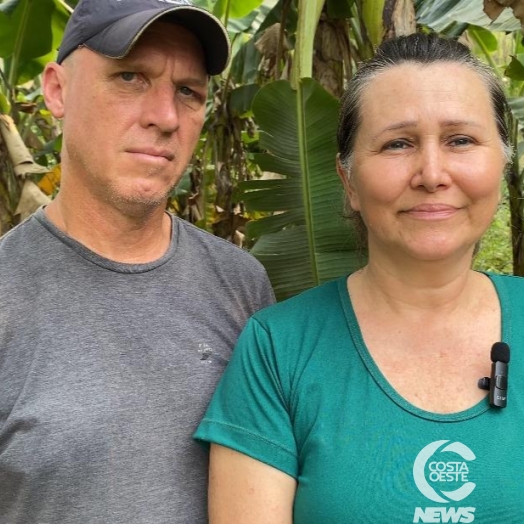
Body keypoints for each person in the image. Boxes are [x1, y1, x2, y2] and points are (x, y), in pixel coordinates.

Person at [194, 33, 524, 522]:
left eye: (461, 140)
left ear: (503, 162)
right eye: (398, 143)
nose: (431, 173)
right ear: (348, 182)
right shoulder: (279, 348)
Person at [0, 1, 275, 523]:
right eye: (130, 78)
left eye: (188, 92)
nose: (165, 117)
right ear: (57, 90)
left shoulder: (242, 284)